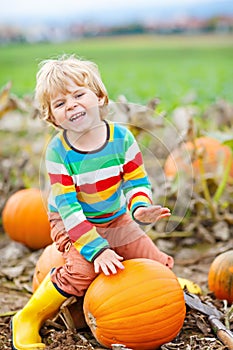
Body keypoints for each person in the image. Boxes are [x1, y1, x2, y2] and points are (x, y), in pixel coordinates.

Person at [12, 54, 174, 350]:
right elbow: (69, 208)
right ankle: (28, 317)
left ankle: (175, 287)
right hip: (70, 222)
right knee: (83, 270)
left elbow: (136, 180)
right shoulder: (59, 152)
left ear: (99, 97)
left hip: (114, 216)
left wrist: (140, 207)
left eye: (78, 95)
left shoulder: (122, 138)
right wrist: (97, 250)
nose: (71, 105)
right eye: (59, 104)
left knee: (154, 261)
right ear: (53, 118)